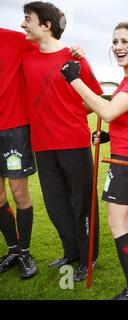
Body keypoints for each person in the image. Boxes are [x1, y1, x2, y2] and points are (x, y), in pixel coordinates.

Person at [61, 22, 128, 300]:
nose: (118, 47)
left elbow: (110, 111)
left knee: (117, 223)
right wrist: (109, 137)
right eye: (114, 42)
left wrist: (74, 79)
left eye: (125, 41)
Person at [20, 1, 100, 282]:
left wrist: (69, 111)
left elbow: (96, 100)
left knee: (82, 204)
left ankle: (87, 258)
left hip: (74, 143)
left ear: (46, 25)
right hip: (42, 145)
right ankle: (71, 252)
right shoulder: (26, 55)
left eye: (27, 19)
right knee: (56, 206)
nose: (22, 24)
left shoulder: (74, 58)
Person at [0, 28, 38, 279]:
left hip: (13, 128)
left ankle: (25, 252)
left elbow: (49, 48)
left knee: (19, 193)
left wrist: (76, 53)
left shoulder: (14, 39)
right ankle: (13, 249)